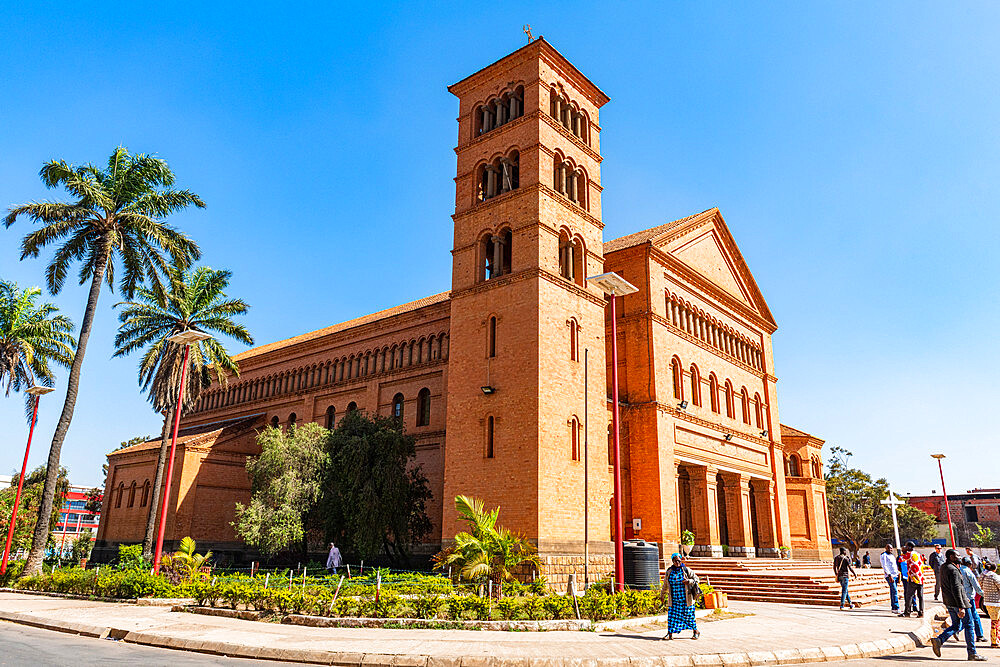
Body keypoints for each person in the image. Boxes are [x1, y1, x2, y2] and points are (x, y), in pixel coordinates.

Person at [930, 548, 986, 661]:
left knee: (956, 625)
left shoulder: (944, 567)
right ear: (951, 557)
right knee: (969, 625)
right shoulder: (954, 570)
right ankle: (972, 653)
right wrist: (961, 607)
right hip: (959, 603)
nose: (960, 557)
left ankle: (939, 640)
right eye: (957, 555)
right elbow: (957, 589)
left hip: (949, 602)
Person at [660, 552, 700, 640]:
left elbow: (696, 579)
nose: (677, 562)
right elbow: (665, 585)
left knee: (689, 616)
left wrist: (689, 581)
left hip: (686, 599)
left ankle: (695, 631)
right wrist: (662, 595)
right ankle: (669, 634)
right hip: (674, 600)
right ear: (672, 561)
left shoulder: (686, 570)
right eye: (675, 561)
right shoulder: (669, 571)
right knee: (672, 617)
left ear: (681, 560)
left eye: (678, 560)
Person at [961, 557, 986, 643]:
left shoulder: (957, 570)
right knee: (975, 616)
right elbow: (976, 587)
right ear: (969, 564)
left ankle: (956, 630)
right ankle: (979, 635)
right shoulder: (968, 572)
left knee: (964, 616)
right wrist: (984, 595)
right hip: (969, 598)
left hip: (959, 597)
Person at [980, 561, 1000, 649]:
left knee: (994, 621)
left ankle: (995, 641)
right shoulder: (994, 576)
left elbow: (981, 586)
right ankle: (995, 642)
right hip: (996, 602)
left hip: (987, 601)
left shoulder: (982, 576)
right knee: (996, 623)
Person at [901, 542, 925, 617]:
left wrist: (903, 552)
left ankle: (907, 612)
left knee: (909, 595)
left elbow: (900, 559)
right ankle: (921, 612)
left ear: (909, 547)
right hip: (920, 578)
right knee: (920, 596)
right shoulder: (918, 554)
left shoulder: (909, 554)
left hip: (913, 578)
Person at [880, 543, 901, 614]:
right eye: (889, 548)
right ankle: (896, 607)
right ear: (886, 548)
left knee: (893, 591)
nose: (890, 549)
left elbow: (894, 565)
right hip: (890, 576)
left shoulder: (892, 556)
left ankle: (893, 608)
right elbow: (884, 566)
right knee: (894, 591)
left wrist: (898, 574)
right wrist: (889, 575)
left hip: (895, 575)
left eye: (891, 548)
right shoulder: (884, 555)